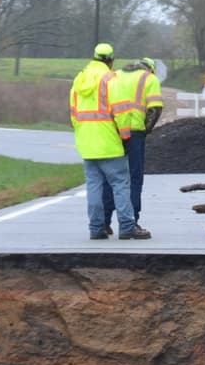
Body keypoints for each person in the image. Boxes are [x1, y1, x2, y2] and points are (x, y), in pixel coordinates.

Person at [69, 43, 149, 240]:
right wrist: (125, 136)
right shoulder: (110, 79)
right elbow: (121, 111)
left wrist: (82, 133)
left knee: (94, 186)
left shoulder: (79, 80)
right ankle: (127, 226)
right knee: (120, 184)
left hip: (87, 143)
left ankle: (96, 228)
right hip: (109, 143)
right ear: (111, 60)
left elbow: (73, 114)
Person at [107, 57, 163, 227]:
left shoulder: (115, 75)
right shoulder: (149, 78)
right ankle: (131, 221)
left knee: (112, 176)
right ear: (151, 69)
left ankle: (103, 221)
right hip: (135, 133)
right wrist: (147, 129)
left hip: (114, 131)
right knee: (134, 177)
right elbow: (155, 108)